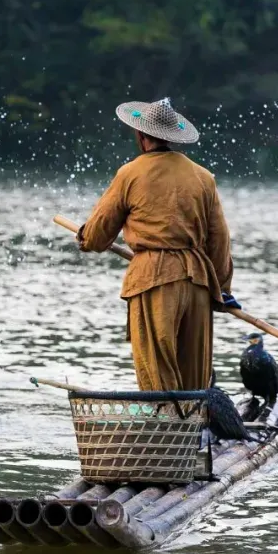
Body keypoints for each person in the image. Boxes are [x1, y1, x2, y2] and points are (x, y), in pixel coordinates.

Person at [77, 97, 238, 391]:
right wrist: (222, 289)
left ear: (141, 136)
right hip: (199, 283)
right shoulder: (204, 177)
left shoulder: (130, 173)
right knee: (194, 377)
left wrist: (85, 239)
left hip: (154, 279)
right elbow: (220, 240)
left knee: (157, 375)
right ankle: (192, 420)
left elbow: (98, 234)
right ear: (172, 137)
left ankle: (165, 420)